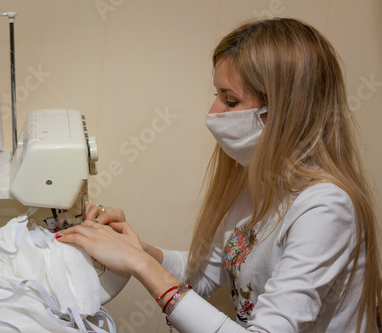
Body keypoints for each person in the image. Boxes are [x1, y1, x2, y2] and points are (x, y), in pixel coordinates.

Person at [57, 17, 382, 332]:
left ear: (284, 110)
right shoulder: (257, 181)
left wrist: (139, 264)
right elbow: (206, 272)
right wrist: (137, 248)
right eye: (216, 95)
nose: (212, 111)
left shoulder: (326, 208)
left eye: (230, 100)